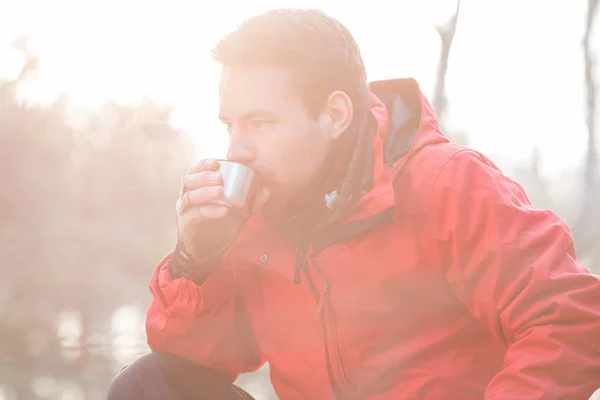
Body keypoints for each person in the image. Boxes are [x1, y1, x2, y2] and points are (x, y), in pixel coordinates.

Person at [107, 8, 600, 400]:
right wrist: (197, 260)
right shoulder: (257, 213)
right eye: (229, 125)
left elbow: (570, 320)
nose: (236, 149)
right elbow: (197, 363)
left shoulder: (445, 184)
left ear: (335, 114)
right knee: (147, 386)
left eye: (259, 123)